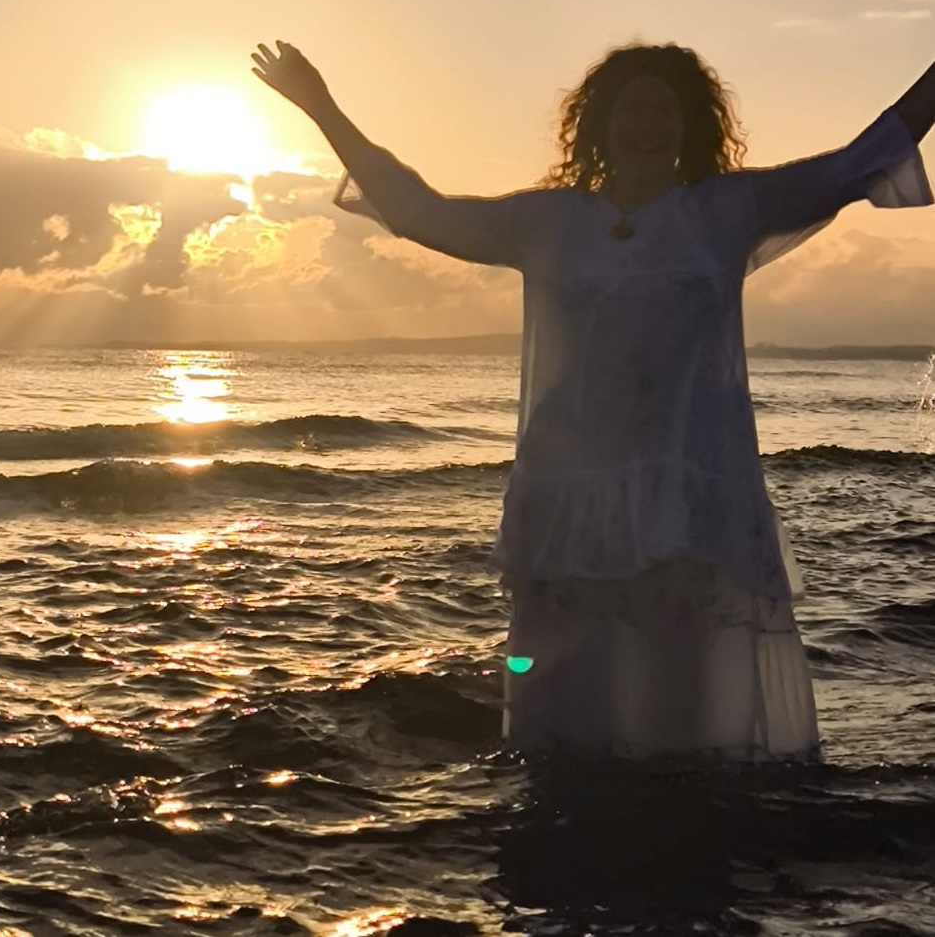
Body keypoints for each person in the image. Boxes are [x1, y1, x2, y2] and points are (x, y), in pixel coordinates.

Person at [251, 38, 935, 762]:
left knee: (681, 710)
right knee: (556, 708)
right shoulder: (547, 221)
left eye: (662, 109)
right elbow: (418, 209)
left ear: (690, 124)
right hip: (567, 497)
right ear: (598, 125)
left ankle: (685, 841)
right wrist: (319, 105)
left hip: (685, 495)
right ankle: (560, 843)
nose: (646, 123)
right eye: (629, 108)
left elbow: (861, 158)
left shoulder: (728, 208)